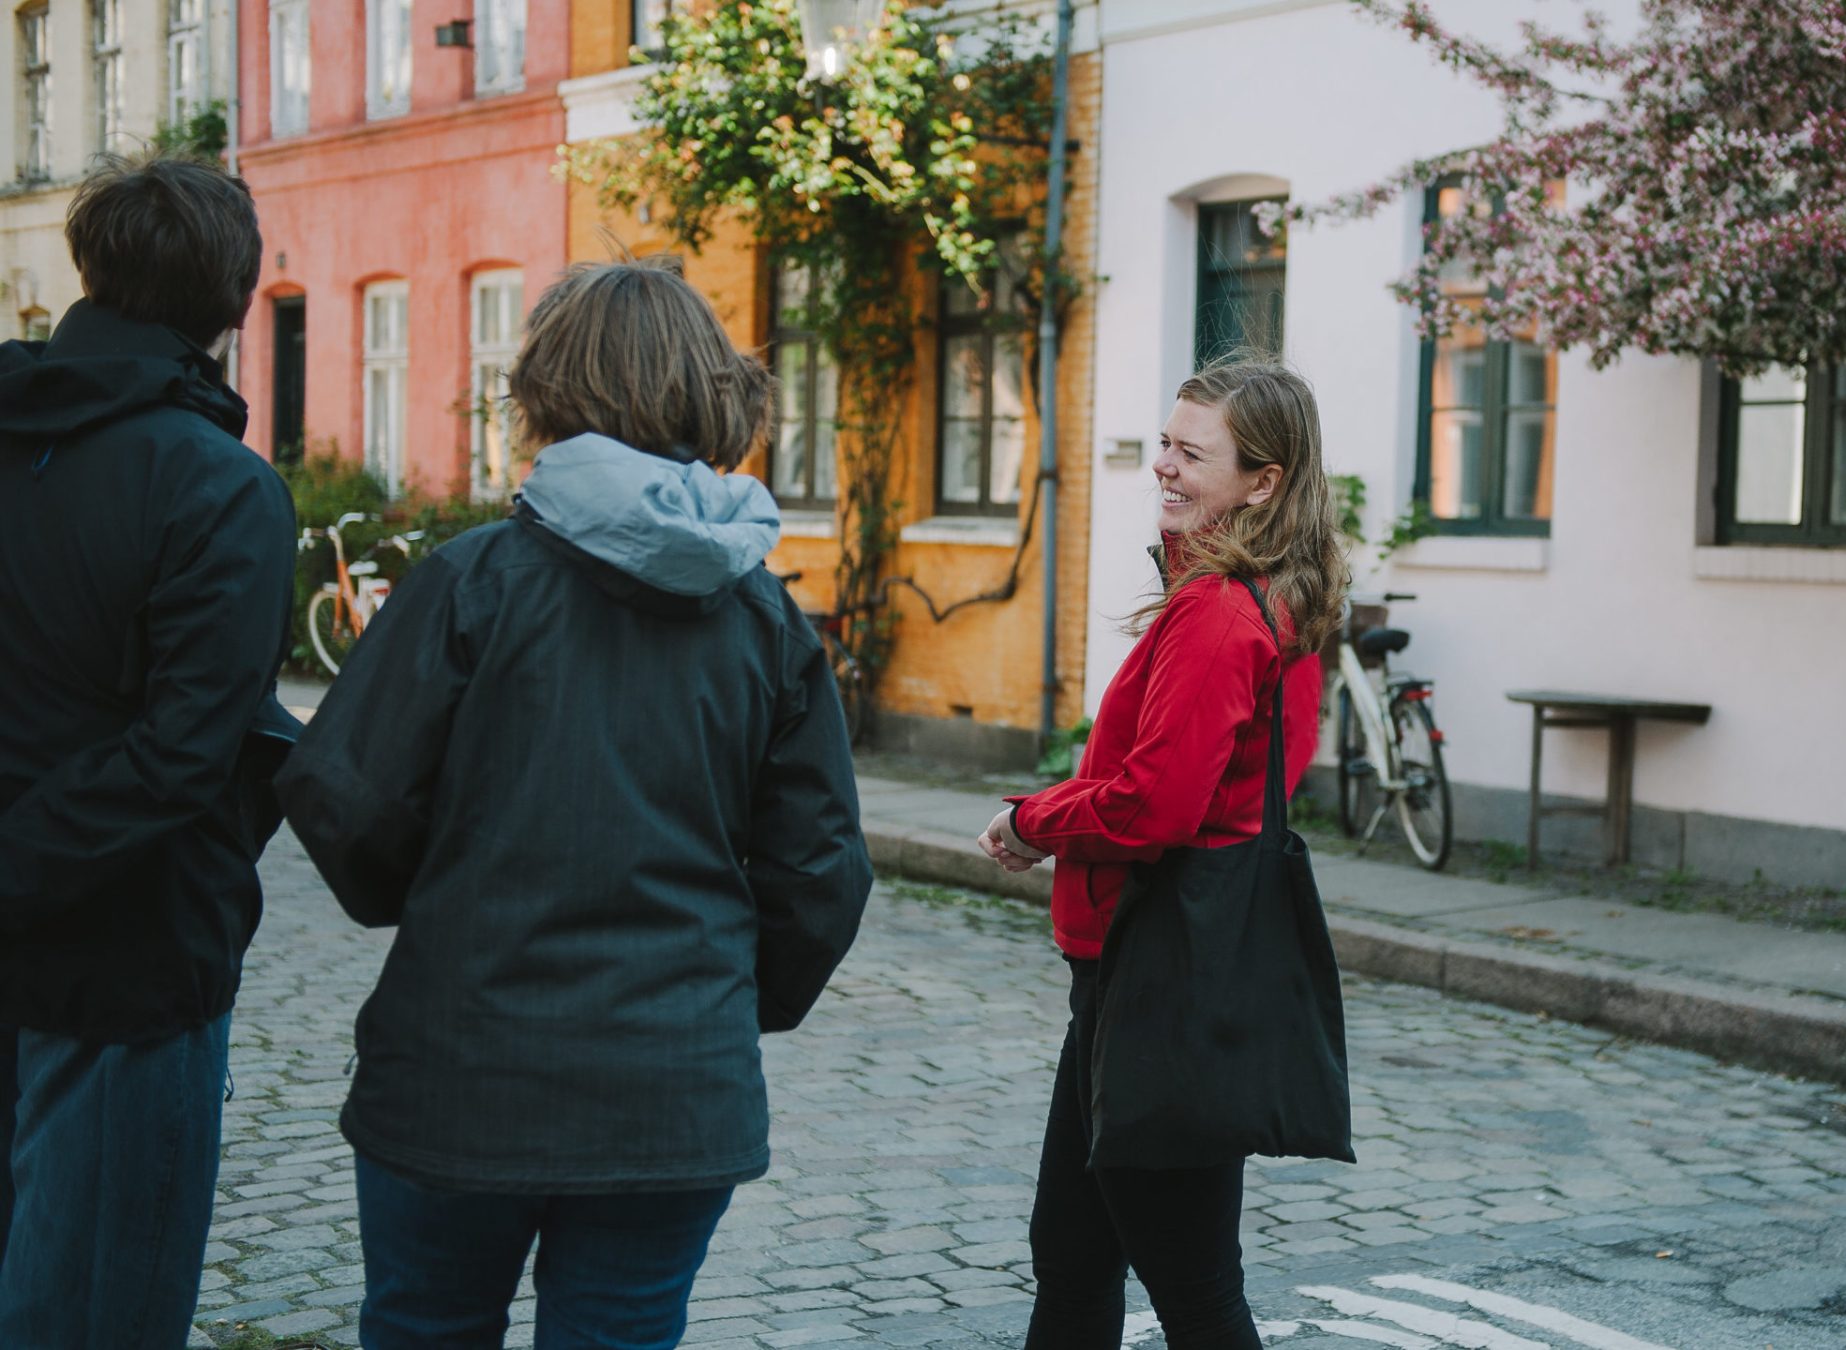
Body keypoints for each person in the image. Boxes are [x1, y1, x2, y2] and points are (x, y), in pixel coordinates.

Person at [275, 257, 874, 1350]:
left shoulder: (471, 585)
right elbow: (823, 874)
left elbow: (344, 800)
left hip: (461, 1068)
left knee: (424, 1327)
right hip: (670, 1090)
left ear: (546, 389)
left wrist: (438, 901)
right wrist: (717, 1006)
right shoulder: (765, 623)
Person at [978, 359, 1349, 1350]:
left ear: (1262, 481)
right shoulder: (1271, 596)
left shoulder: (1222, 613)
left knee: (1191, 1287)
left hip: (1158, 976)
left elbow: (1154, 806)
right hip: (1143, 973)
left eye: (1192, 452)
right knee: (1073, 1252)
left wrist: (1033, 823)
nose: (1165, 467)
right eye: (1166, 443)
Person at [0, 152, 297, 1347]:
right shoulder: (220, 488)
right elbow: (184, 755)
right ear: (232, 307)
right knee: (93, 1313)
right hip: (130, 960)